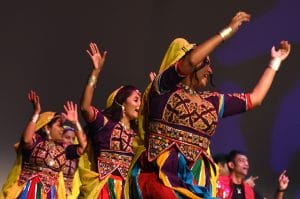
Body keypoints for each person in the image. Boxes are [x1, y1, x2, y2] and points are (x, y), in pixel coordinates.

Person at [129, 11, 291, 199]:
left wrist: (275, 62)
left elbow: (255, 99)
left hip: (194, 183)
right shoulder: (163, 89)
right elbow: (189, 61)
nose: (210, 69)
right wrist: (227, 32)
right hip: (159, 181)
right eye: (205, 63)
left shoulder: (212, 101)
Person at [79, 42, 142, 199]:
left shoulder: (138, 133)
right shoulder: (105, 124)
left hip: (129, 192)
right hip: (104, 191)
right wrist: (95, 72)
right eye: (136, 100)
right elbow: (85, 108)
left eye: (141, 101)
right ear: (122, 102)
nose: (140, 105)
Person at [0, 91, 87, 199]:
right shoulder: (36, 142)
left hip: (52, 194)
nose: (62, 129)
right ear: (47, 128)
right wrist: (36, 113)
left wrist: (75, 123)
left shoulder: (63, 150)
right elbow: (26, 140)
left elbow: (83, 148)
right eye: (59, 125)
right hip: (29, 192)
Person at [216, 150, 289, 199]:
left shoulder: (249, 190)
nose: (246, 164)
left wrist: (281, 190)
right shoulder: (218, 183)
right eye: (242, 161)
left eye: (247, 161)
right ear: (231, 165)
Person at [61, 126, 82, 199]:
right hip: (55, 192)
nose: (71, 141)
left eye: (73, 138)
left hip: (70, 194)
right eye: (67, 137)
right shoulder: (53, 154)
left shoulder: (76, 159)